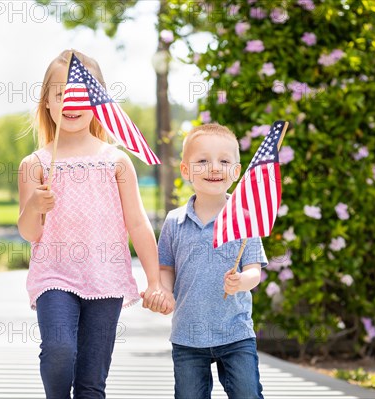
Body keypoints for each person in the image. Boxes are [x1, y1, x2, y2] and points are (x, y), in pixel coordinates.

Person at [17, 49, 174, 399]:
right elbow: (30, 233)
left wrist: (155, 280)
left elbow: (137, 223)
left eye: (82, 92)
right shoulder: (35, 164)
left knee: (91, 382)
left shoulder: (116, 161)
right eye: (61, 93)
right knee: (59, 351)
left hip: (107, 278)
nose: (71, 101)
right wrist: (34, 206)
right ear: (47, 102)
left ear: (99, 101)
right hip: (54, 275)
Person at [148, 123, 268, 399]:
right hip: (188, 335)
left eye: (224, 161)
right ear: (186, 170)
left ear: (236, 172)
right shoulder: (175, 221)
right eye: (202, 161)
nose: (214, 168)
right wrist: (164, 290)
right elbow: (166, 267)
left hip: (235, 332)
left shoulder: (245, 220)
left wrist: (241, 282)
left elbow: (254, 271)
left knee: (247, 394)